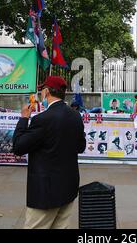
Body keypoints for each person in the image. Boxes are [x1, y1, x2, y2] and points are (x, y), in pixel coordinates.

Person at [13, 76, 86, 229]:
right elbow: (81, 147)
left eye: (41, 90)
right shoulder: (75, 116)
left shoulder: (42, 119)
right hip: (68, 186)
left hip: (46, 191)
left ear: (46, 92)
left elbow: (19, 147)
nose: (40, 94)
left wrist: (23, 119)